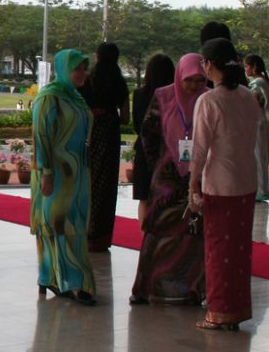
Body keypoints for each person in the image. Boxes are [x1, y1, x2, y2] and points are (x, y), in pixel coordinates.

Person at [187, 38, 263, 331]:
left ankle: (218, 312)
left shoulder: (209, 100)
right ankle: (237, 309)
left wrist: (192, 184)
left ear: (209, 65)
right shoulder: (248, 96)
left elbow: (200, 149)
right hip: (246, 180)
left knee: (218, 250)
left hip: (220, 184)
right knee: (240, 251)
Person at [129, 53, 209, 305]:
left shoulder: (208, 98)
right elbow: (148, 135)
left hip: (199, 175)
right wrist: (161, 165)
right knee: (159, 230)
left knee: (193, 233)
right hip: (166, 178)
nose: (194, 85)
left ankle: (189, 290)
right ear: (179, 77)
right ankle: (150, 288)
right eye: (189, 80)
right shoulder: (163, 96)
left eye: (199, 80)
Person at [30, 49, 97, 304]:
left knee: (73, 226)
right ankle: (75, 283)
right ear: (63, 69)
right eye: (76, 68)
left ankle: (50, 277)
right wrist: (46, 173)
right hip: (54, 173)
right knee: (58, 226)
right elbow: (41, 138)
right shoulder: (49, 98)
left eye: (83, 68)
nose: (82, 73)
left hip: (77, 173)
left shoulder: (75, 97)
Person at [80, 41, 130, 251]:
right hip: (109, 134)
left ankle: (84, 233)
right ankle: (101, 238)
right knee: (106, 186)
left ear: (97, 56)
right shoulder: (120, 83)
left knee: (87, 181)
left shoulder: (87, 80)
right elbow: (126, 118)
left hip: (90, 132)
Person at [130, 53, 175, 226]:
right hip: (168, 150)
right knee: (168, 194)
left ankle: (144, 232)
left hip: (143, 148)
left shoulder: (139, 94)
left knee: (144, 196)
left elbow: (137, 124)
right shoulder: (173, 96)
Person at [244, 54, 269, 202]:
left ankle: (259, 191)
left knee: (257, 156)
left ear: (254, 67)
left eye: (247, 66)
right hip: (262, 122)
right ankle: (261, 190)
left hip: (258, 123)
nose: (245, 69)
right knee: (260, 156)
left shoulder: (257, 83)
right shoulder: (263, 81)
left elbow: (254, 103)